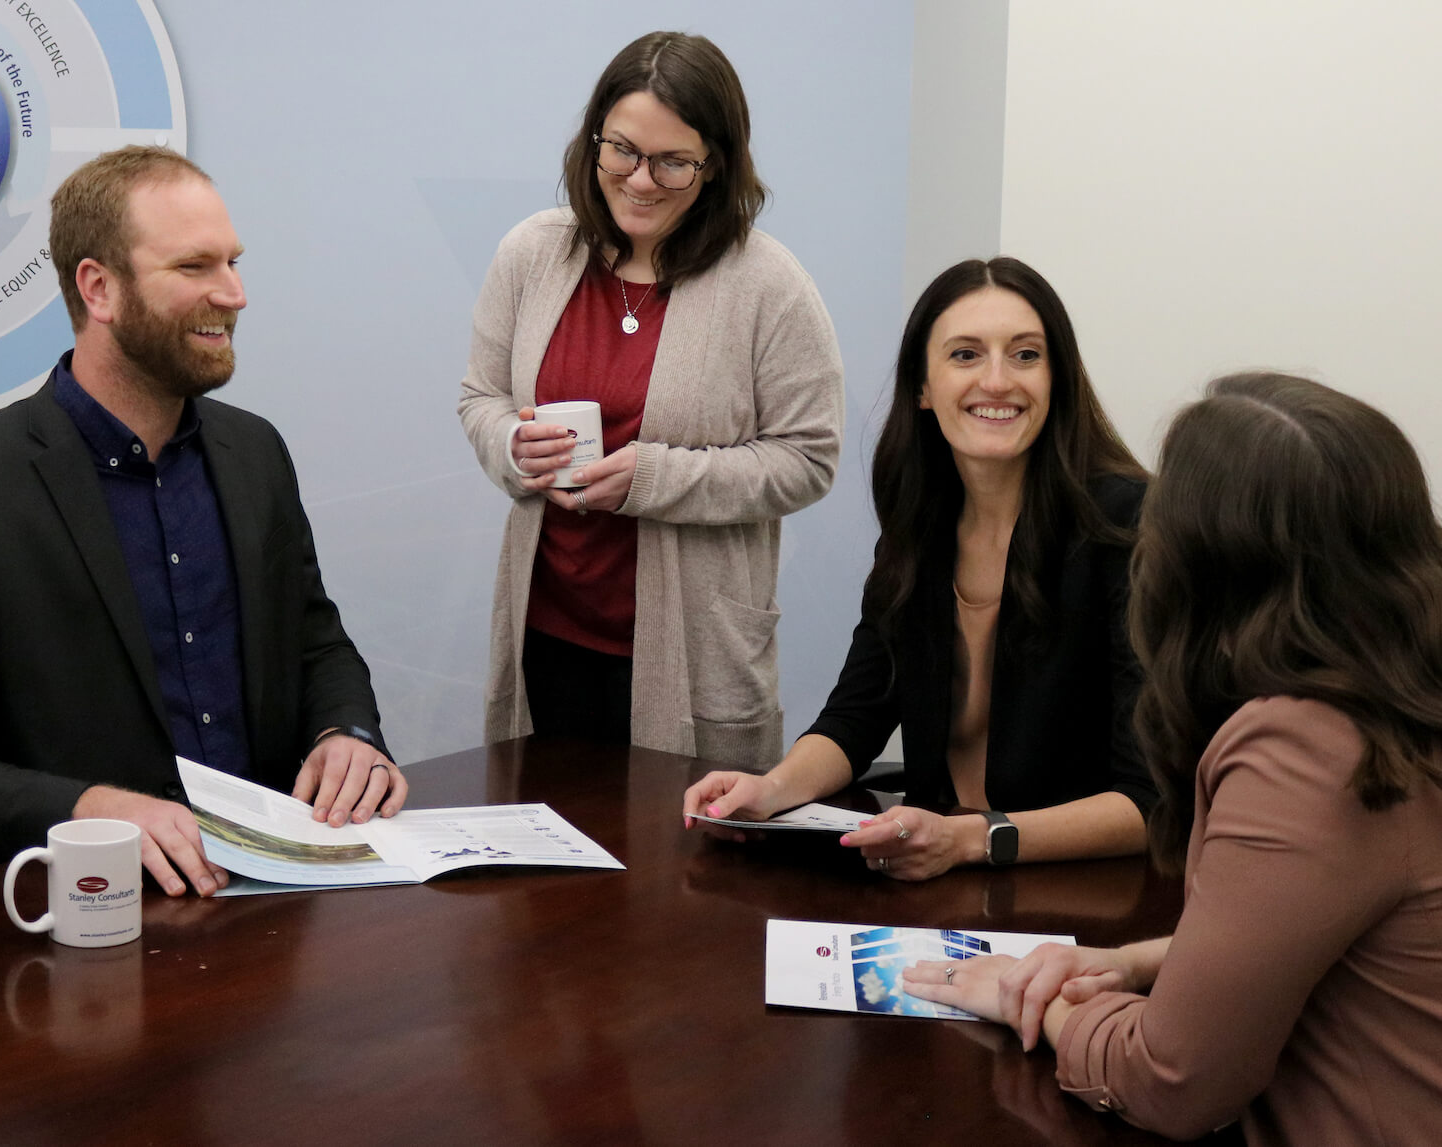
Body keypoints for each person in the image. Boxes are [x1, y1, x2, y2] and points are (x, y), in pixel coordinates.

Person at [901, 373, 1442, 1143]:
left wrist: (1035, 1003)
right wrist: (1135, 963)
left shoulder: (1306, 747)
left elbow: (1172, 1080)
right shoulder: (1402, 693)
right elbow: (1320, 928)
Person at [0, 146, 406, 897]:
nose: (235, 293)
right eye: (194, 267)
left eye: (233, 263)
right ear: (100, 289)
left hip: (271, 895)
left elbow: (314, 639)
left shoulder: (254, 453)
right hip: (88, 908)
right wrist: (89, 809)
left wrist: (346, 732)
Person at [684, 257, 1154, 879]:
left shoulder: (1129, 525)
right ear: (922, 388)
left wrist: (969, 839)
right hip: (942, 870)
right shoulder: (921, 524)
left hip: (1079, 887)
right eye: (965, 355)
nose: (997, 380)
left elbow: (1149, 799)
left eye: (1025, 355)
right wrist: (769, 791)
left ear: (1058, 380)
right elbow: (857, 716)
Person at [457, 31, 845, 765]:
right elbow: (481, 396)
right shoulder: (533, 253)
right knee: (541, 830)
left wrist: (654, 477)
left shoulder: (769, 285)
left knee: (683, 841)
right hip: (546, 633)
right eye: (623, 151)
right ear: (594, 142)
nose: (641, 180)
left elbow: (808, 459)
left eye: (673, 161)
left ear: (715, 164)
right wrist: (511, 443)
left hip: (697, 652)